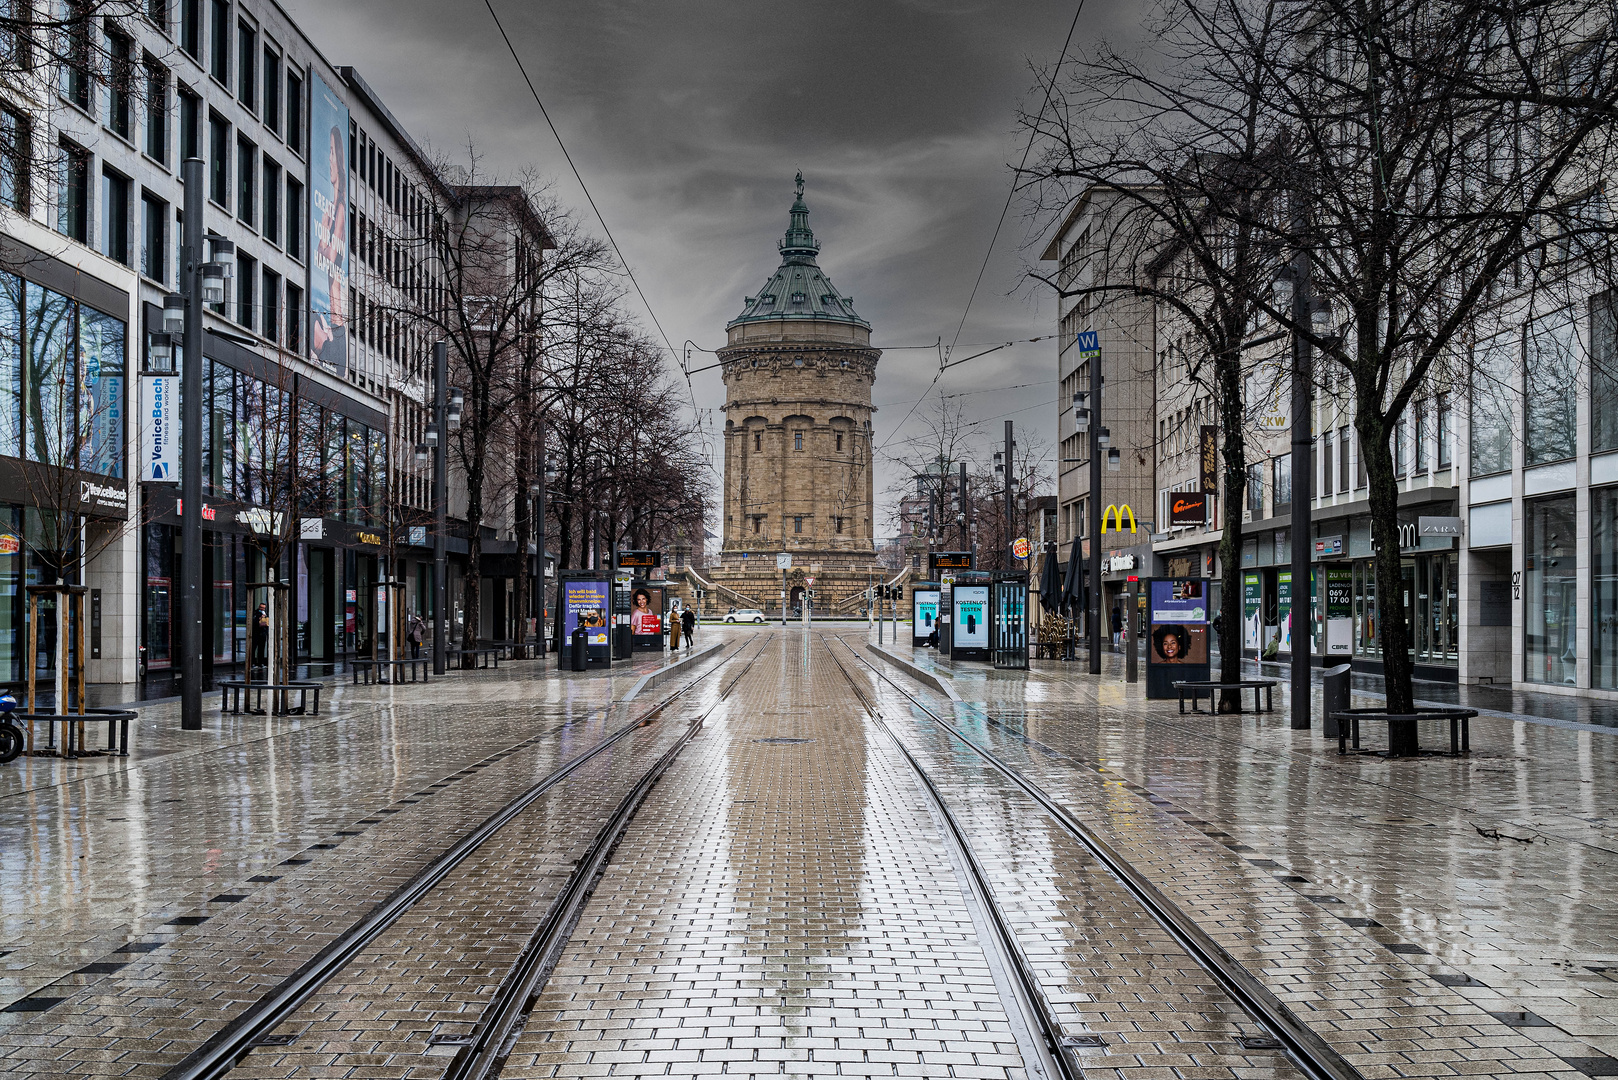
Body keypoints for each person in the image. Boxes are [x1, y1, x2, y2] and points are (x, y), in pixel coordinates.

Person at [252, 604, 270, 670]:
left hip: (263, 633)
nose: (262, 609)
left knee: (261, 649)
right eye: (261, 607)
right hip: (256, 633)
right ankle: (253, 662)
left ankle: (261, 662)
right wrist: (259, 618)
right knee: (253, 648)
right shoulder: (255, 613)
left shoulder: (266, 613)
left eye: (263, 608)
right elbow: (254, 622)